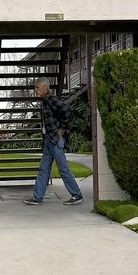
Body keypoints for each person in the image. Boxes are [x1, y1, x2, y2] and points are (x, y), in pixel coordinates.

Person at [23, 77, 84, 206]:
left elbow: (66, 110)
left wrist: (62, 128)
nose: (35, 90)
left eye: (37, 88)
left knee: (63, 169)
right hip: (48, 140)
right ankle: (37, 197)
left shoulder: (51, 99)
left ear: (45, 88)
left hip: (55, 140)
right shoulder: (45, 101)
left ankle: (76, 194)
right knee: (43, 169)